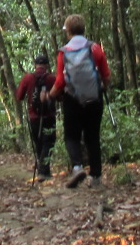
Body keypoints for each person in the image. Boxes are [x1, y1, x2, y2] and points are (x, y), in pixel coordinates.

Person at [45, 14, 110, 188]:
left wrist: (50, 96)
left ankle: (77, 167)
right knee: (93, 137)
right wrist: (103, 87)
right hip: (94, 99)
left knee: (71, 136)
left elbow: (60, 82)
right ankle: (96, 177)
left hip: (72, 100)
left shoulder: (64, 52)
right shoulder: (95, 48)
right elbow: (106, 75)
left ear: (68, 32)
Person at [15, 54, 57, 178]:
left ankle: (43, 170)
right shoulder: (52, 78)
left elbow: (19, 96)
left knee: (38, 143)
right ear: (47, 65)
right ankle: (43, 171)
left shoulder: (28, 78)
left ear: (35, 65)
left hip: (33, 116)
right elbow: (60, 96)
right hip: (49, 116)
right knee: (48, 142)